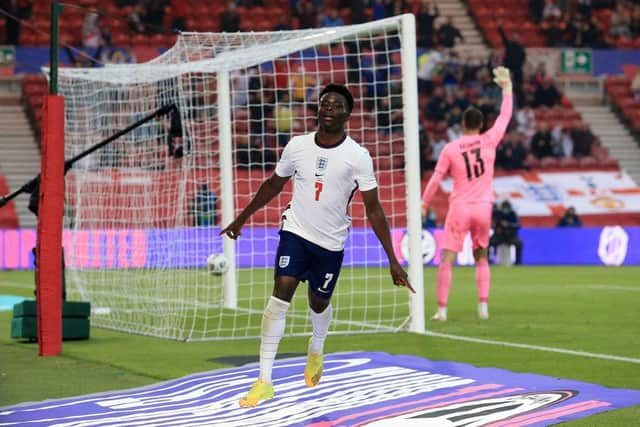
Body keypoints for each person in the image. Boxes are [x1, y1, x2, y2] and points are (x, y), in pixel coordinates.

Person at [221, 83, 414, 407]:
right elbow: (273, 185)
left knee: (319, 303)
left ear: (347, 114)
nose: (328, 108)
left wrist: (392, 260)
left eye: (336, 105)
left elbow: (374, 209)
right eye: (324, 103)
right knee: (280, 294)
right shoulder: (297, 146)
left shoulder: (358, 156)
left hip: (330, 242)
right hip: (295, 231)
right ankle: (264, 380)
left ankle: (316, 347)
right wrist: (242, 218)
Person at [421, 66, 513, 322]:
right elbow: (505, 116)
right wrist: (507, 88)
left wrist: (424, 203)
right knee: (481, 256)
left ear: (463, 125)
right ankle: (483, 308)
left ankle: (442, 310)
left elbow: (437, 177)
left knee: (447, 259)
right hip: (484, 208)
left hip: (460, 208)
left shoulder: (451, 148)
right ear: (481, 125)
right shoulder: (490, 139)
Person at [489, 200, 524, 265]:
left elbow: (518, 225)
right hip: (499, 236)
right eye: (504, 207)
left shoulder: (512, 214)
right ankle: (488, 261)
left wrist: (509, 224)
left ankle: (518, 262)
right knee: (488, 242)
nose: (505, 209)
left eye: (506, 207)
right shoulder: (498, 214)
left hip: (510, 236)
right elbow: (493, 225)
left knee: (519, 243)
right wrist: (497, 227)